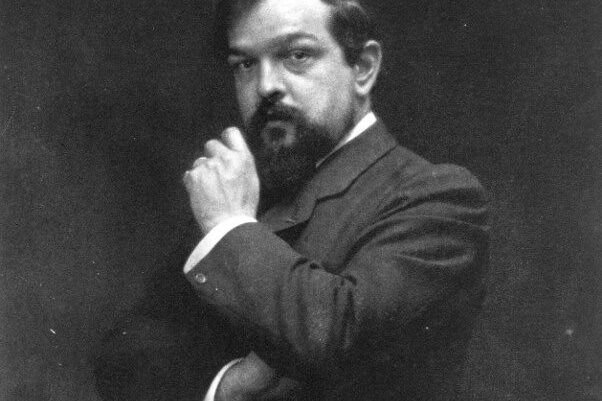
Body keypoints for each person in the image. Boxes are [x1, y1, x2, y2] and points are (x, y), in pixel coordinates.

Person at [93, 0, 489, 400]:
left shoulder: (438, 197)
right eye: (245, 64)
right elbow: (122, 357)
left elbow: (339, 336)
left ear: (363, 68)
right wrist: (227, 387)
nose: (265, 86)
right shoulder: (245, 192)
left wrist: (230, 227)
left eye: (297, 55)